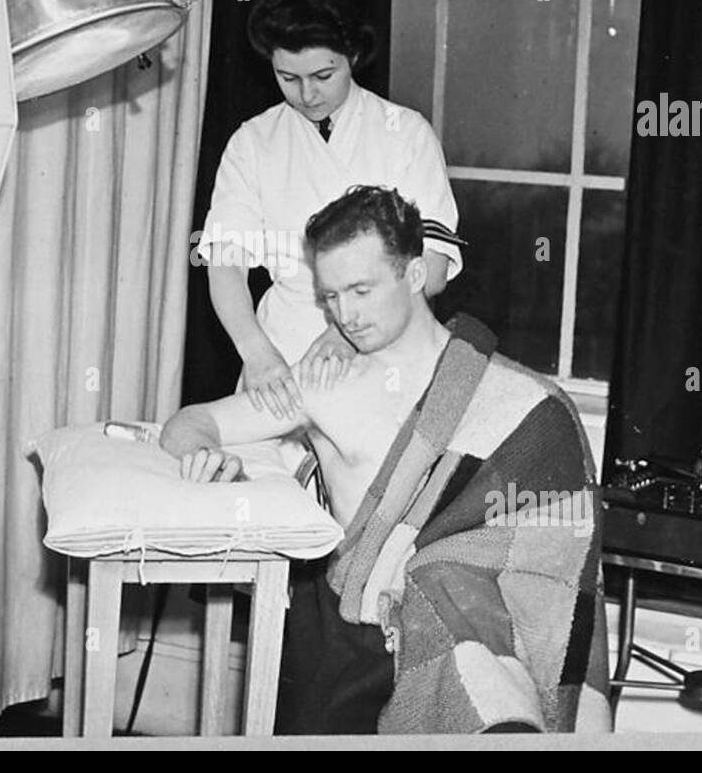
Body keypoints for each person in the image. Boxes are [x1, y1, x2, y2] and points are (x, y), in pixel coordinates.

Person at [163, 186, 612, 735]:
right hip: (351, 635)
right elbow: (192, 422)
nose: (344, 315)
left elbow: (552, 555)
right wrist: (203, 458)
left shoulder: (505, 399)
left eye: (361, 290)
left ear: (416, 274)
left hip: (466, 629)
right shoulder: (323, 386)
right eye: (329, 297)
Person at [196, 0, 463, 422]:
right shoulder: (253, 142)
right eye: (288, 78)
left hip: (384, 346)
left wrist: (348, 331)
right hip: (281, 353)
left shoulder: (406, 133)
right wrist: (256, 351)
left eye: (323, 76)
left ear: (353, 59)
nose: (307, 94)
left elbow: (431, 268)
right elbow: (225, 264)